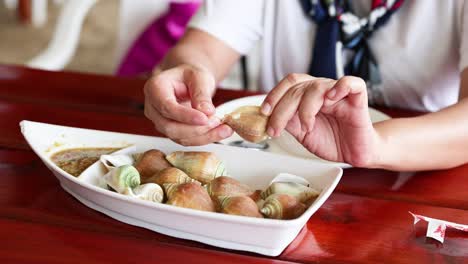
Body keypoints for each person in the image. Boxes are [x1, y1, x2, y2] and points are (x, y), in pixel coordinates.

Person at [143, 0, 468, 171]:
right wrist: (185, 74)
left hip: (416, 171)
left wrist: (375, 145)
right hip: (273, 167)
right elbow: (199, 50)